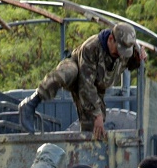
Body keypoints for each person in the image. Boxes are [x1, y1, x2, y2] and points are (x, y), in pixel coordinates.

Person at [18, 22, 147, 140]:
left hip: (97, 87)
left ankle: (86, 160)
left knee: (95, 130)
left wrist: (139, 59)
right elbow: (85, 84)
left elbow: (130, 65)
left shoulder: (125, 50)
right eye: (119, 50)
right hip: (79, 75)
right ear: (111, 39)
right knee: (67, 73)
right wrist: (97, 114)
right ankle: (30, 103)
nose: (121, 54)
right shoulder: (91, 47)